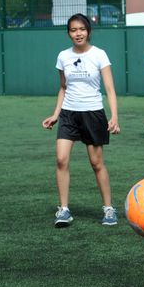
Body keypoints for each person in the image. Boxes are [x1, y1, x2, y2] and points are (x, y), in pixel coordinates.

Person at [42, 13, 121, 228]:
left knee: (96, 163)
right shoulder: (63, 56)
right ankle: (64, 209)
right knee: (61, 159)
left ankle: (108, 209)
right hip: (69, 113)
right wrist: (55, 115)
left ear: (89, 31)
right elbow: (63, 88)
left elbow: (110, 89)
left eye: (82, 29)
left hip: (93, 113)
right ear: (69, 33)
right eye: (73, 30)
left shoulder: (99, 55)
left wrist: (114, 116)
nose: (78, 33)